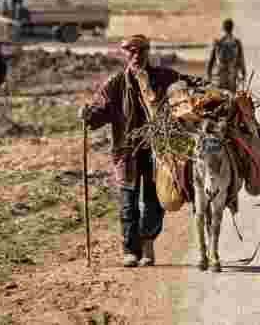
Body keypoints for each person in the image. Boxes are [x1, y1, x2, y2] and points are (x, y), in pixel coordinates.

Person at [78, 34, 201, 268]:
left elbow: (186, 85)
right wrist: (88, 115)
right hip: (127, 152)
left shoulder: (163, 77)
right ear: (124, 55)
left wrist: (206, 91)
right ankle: (130, 251)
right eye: (131, 52)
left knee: (155, 202)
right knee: (128, 204)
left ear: (147, 53)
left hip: (158, 151)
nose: (136, 57)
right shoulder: (114, 84)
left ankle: (147, 243)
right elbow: (99, 109)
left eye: (141, 52)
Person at [206, 18, 246, 91]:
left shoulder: (218, 42)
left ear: (223, 28)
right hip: (232, 74)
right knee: (232, 96)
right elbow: (241, 60)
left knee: (220, 96)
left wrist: (209, 74)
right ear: (232, 28)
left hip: (220, 73)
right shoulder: (236, 42)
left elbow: (211, 60)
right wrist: (243, 74)